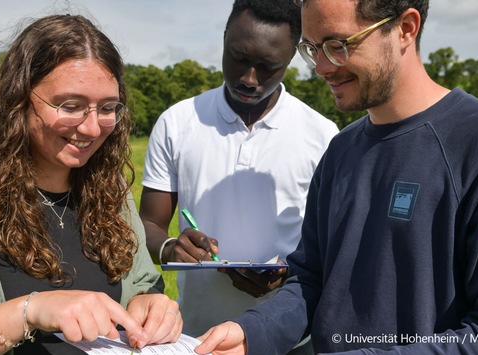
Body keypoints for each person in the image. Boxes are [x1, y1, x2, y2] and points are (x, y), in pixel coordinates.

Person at [196, 0, 478, 354]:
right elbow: (311, 282)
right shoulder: (340, 152)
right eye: (312, 48)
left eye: (337, 46)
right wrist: (252, 332)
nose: (321, 67)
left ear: (405, 29)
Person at [0, 14, 182, 355]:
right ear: (19, 99)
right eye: (70, 105)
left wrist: (149, 303)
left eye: (107, 108)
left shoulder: (108, 188)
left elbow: (140, 283)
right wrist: (28, 312)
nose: (91, 128)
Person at [139, 0, 338, 353]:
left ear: (291, 58)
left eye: (267, 67)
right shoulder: (177, 122)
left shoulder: (321, 135)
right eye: (238, 57)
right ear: (225, 37)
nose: (249, 78)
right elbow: (148, 225)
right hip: (196, 338)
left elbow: (331, 248)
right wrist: (172, 247)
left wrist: (287, 274)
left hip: (290, 340)